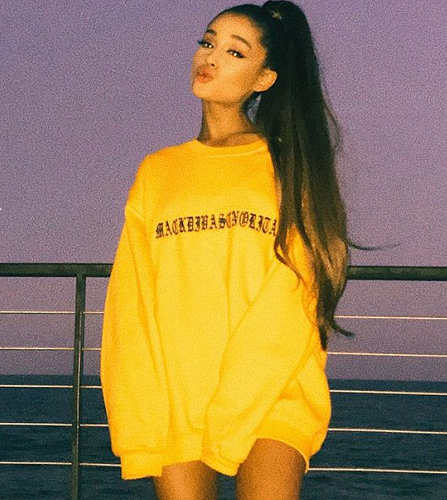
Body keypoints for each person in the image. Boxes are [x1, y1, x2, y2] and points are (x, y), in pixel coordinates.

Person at [100, 2, 356, 498]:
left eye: (235, 52)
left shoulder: (288, 163)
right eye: (207, 42)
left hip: (272, 387)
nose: (211, 57)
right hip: (179, 393)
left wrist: (232, 406)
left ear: (264, 79)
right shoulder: (157, 170)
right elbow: (131, 300)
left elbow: (296, 290)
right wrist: (139, 412)